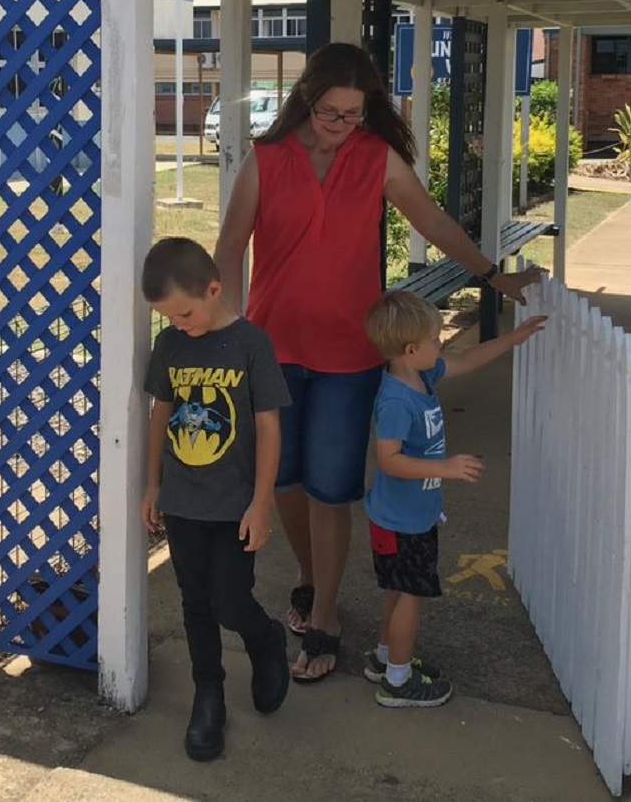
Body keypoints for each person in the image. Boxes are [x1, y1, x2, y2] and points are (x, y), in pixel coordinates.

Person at [215, 42, 542, 682]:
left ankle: (328, 615)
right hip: (272, 349)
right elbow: (230, 248)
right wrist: (229, 331)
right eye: (332, 114)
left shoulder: (376, 159)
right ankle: (311, 580)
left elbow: (435, 221)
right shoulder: (265, 159)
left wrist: (488, 275)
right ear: (307, 100)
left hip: (348, 356)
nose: (342, 128)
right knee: (285, 485)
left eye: (354, 116)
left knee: (331, 488)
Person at [142, 237, 293, 761]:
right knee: (194, 602)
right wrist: (153, 484)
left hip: (235, 505)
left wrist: (262, 501)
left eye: (184, 312)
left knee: (230, 600)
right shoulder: (171, 346)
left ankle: (265, 637)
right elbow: (161, 413)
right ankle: (208, 695)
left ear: (214, 289)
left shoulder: (251, 344)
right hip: (183, 502)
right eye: (168, 317)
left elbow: (269, 426)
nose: (179, 323)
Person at [361, 291, 546, 707]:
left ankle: (387, 656)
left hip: (409, 516)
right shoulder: (395, 400)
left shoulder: (421, 376)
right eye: (434, 340)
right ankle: (398, 681)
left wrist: (513, 338)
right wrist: (446, 468)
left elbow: (469, 360)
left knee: (397, 587)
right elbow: (388, 460)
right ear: (411, 350)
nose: (441, 345)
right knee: (411, 594)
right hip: (401, 520)